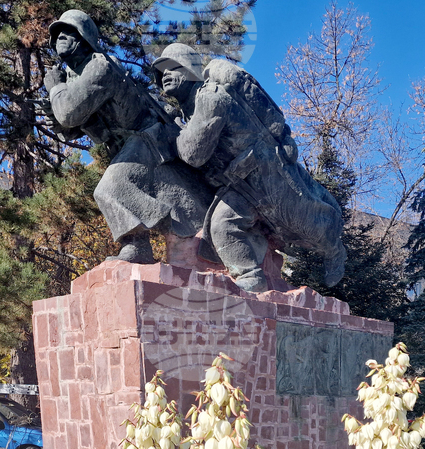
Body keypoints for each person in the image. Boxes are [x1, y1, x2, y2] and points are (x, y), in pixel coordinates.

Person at [154, 44, 347, 292]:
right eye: (161, 72)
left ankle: (334, 250)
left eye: (173, 67)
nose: (166, 75)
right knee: (223, 225)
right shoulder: (188, 111)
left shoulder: (210, 98)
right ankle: (251, 278)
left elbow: (193, 154)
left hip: (266, 176)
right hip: (238, 184)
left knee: (307, 221)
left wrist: (173, 134)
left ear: (190, 69)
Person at [45, 11, 212, 263]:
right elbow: (76, 124)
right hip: (128, 143)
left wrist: (55, 90)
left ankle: (138, 247)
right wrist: (56, 116)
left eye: (67, 32)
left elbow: (68, 113)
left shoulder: (99, 66)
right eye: (56, 34)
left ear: (83, 38)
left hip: (147, 135)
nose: (60, 37)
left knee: (109, 189)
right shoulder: (74, 76)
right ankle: (139, 245)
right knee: (114, 189)